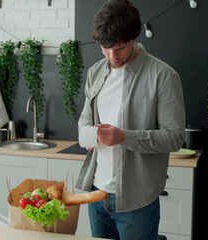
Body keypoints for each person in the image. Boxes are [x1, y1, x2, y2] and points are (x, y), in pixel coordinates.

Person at [75, 0, 185, 239]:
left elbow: (175, 138)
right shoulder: (95, 72)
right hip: (96, 194)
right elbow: (85, 118)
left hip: (137, 201)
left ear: (136, 35)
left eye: (120, 47)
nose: (112, 55)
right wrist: (87, 133)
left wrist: (125, 137)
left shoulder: (163, 76)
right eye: (105, 47)